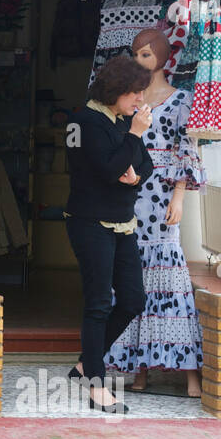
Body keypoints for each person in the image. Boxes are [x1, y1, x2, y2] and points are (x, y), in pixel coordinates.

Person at [106, 28, 207, 396]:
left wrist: (179, 197)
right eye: (136, 54)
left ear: (163, 58)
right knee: (134, 280)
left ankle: (190, 374)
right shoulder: (129, 102)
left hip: (163, 196)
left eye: (146, 55)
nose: (140, 61)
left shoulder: (181, 101)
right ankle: (140, 370)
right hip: (131, 196)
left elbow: (188, 151)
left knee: (171, 282)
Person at [64, 55, 155, 413]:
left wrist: (136, 174)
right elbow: (106, 169)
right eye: (134, 93)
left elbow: (143, 164)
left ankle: (88, 362)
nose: (138, 101)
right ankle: (96, 385)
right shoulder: (84, 122)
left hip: (123, 223)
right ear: (115, 90)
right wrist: (132, 137)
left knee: (133, 300)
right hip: (90, 222)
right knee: (99, 302)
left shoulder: (120, 122)